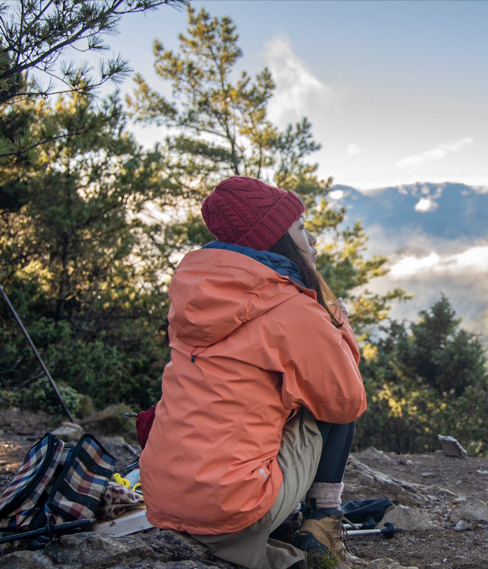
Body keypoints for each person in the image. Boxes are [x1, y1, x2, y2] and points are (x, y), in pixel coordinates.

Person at [140, 176, 366, 569]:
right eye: (300, 228)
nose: (312, 241)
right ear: (276, 238)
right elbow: (347, 401)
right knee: (326, 403)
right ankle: (324, 525)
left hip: (162, 501)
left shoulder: (195, 297)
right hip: (233, 508)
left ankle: (271, 530)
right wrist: (335, 317)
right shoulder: (290, 308)